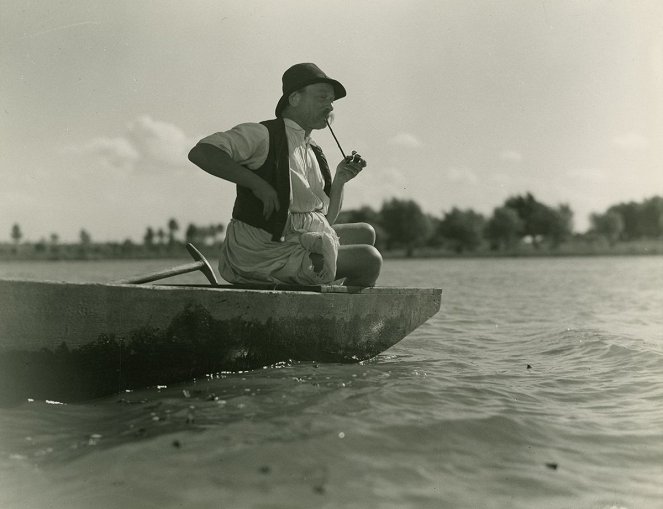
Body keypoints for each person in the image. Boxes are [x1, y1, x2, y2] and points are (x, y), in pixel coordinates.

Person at [188, 63, 382, 287]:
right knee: (369, 259)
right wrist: (257, 183)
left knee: (365, 233)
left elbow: (325, 222)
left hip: (293, 238)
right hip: (263, 252)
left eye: (331, 101)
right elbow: (201, 152)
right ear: (294, 99)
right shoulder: (263, 134)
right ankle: (331, 311)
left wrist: (340, 180)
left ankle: (322, 302)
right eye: (322, 98)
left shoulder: (312, 150)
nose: (330, 107)